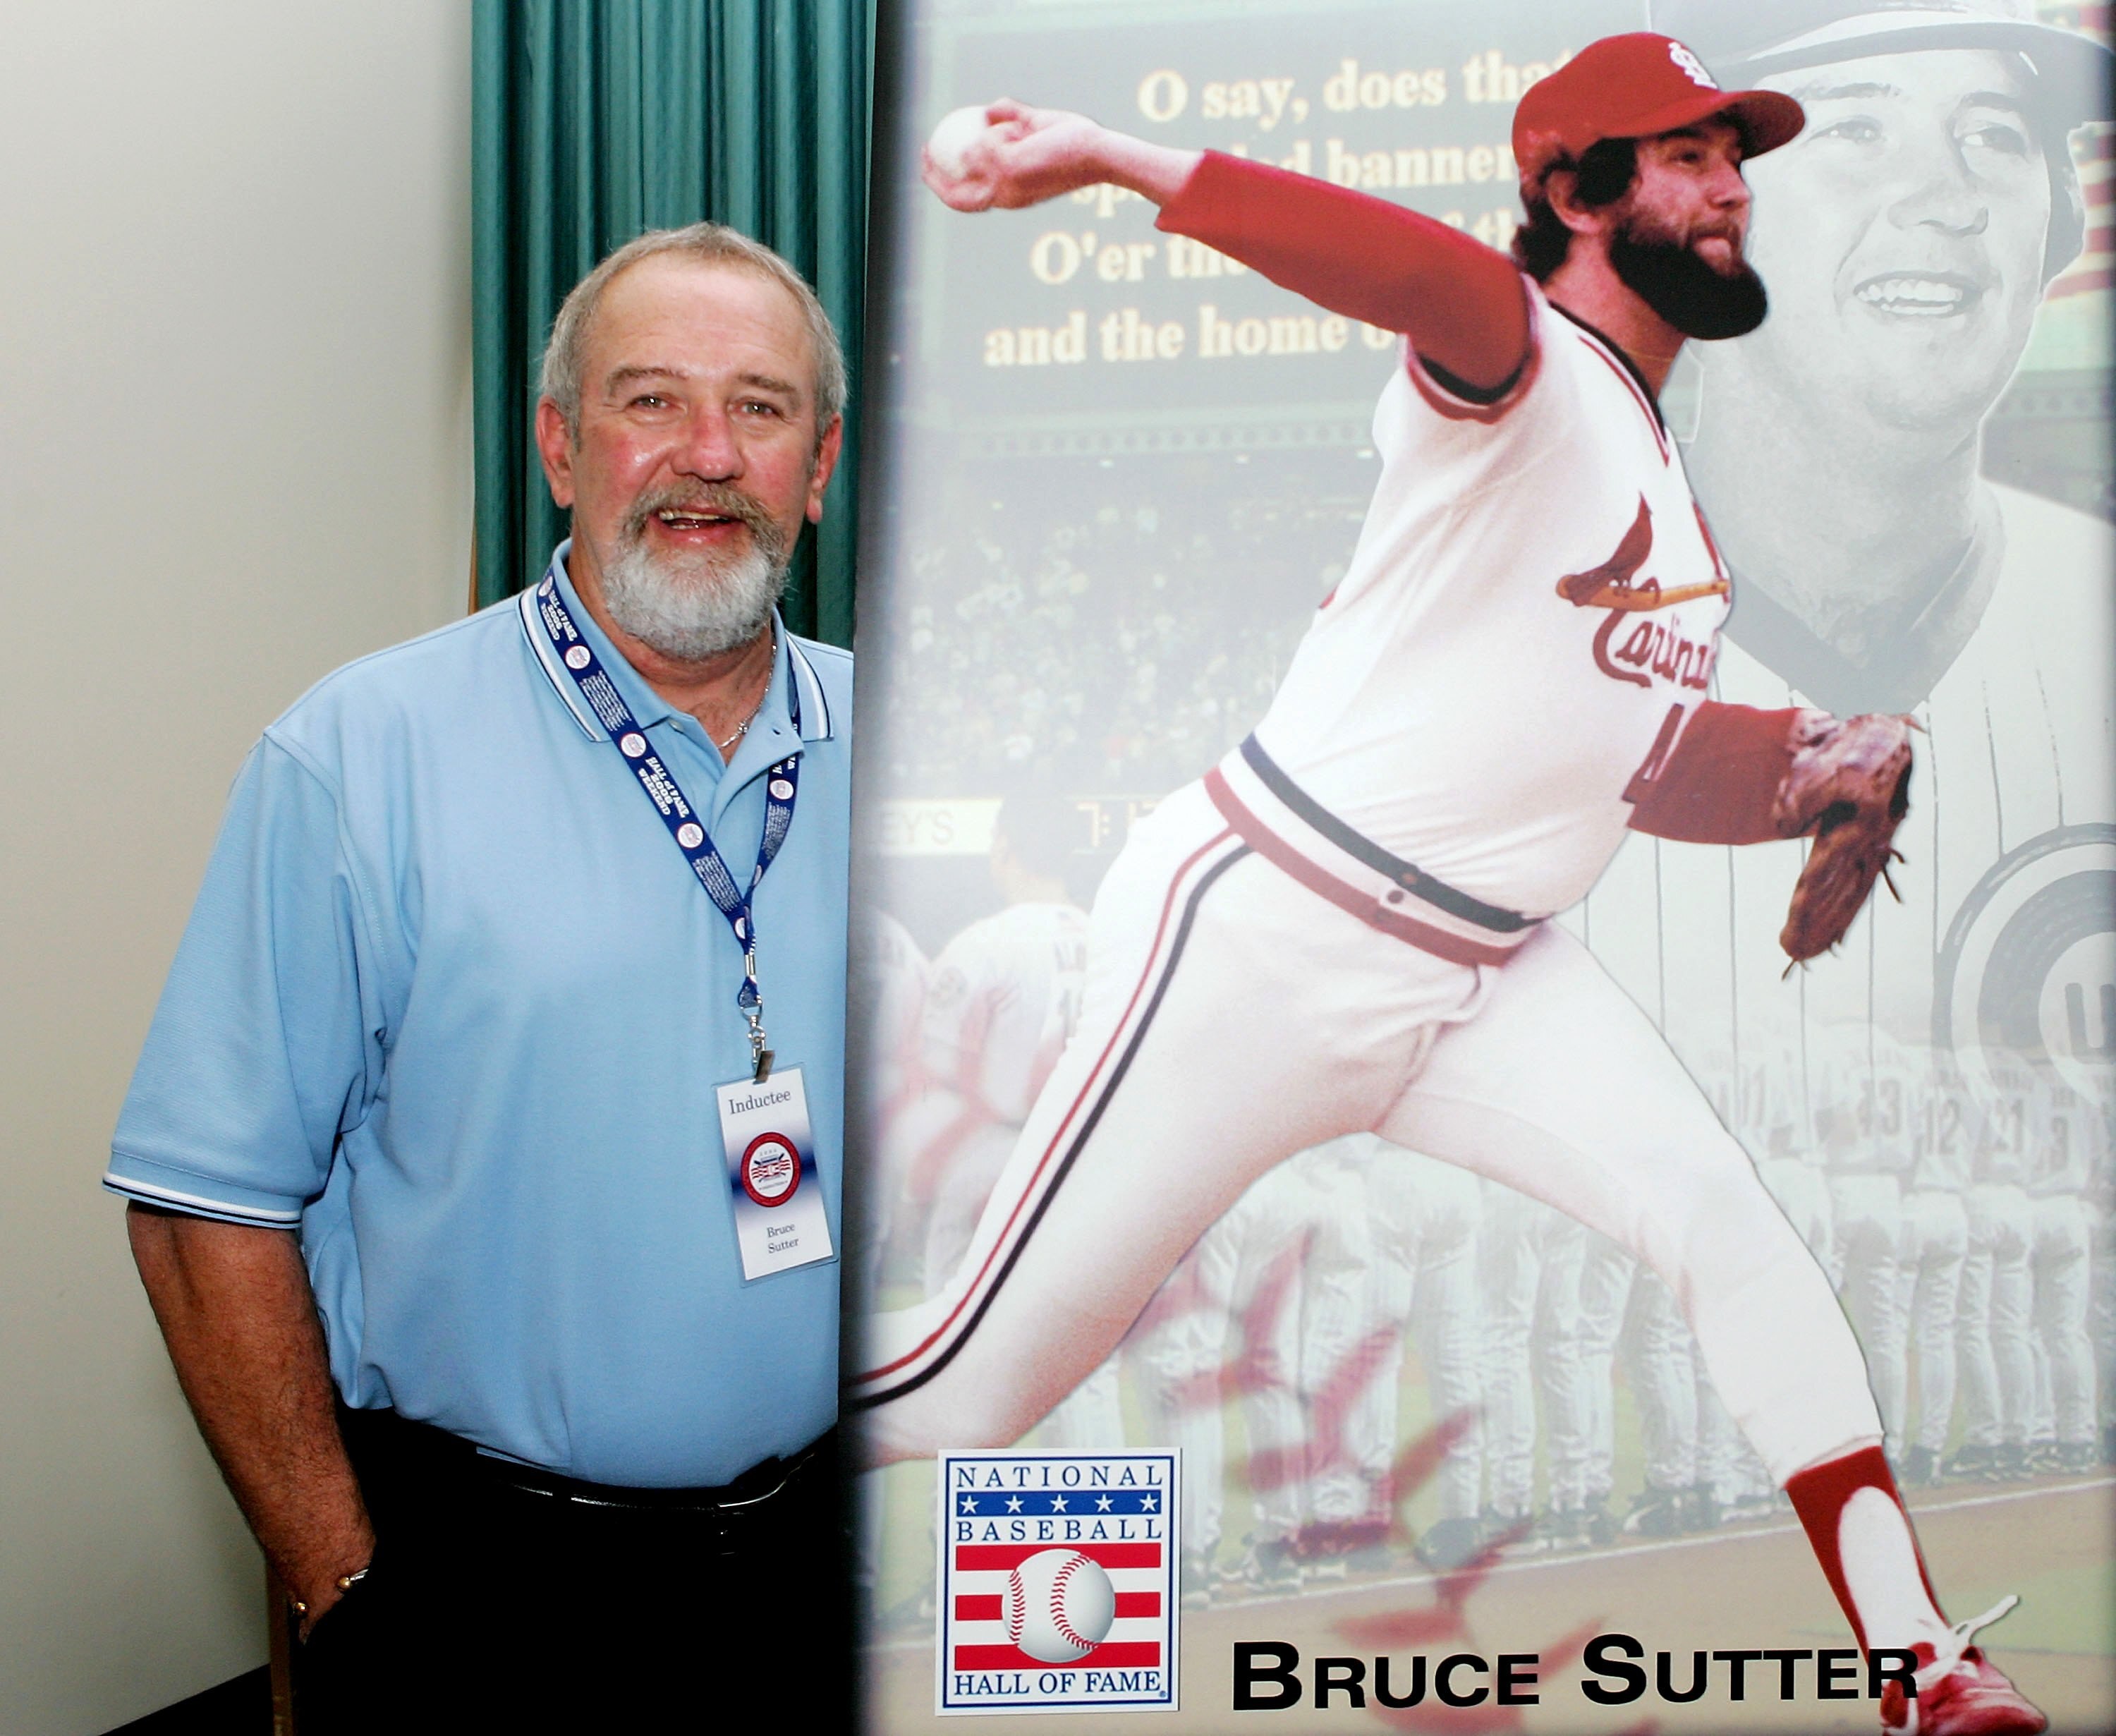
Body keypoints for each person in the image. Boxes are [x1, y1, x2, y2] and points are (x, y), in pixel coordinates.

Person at [855, 34, 2046, 1734]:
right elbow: (1421, 275)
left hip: (1493, 974)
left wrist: (1805, 771)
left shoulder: (1657, 474)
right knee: (977, 1388)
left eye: (1736, 158)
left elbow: (1627, 762)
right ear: (1571, 191)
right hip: (1266, 934)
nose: (1731, 189)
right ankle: (657, 1413)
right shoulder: (1522, 356)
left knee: (1731, 1229)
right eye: (1688, 157)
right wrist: (1124, 158)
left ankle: (1922, 1661)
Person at [107, 223, 853, 1729]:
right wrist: (347, 1587)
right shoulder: (359, 756)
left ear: (819, 465)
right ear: (558, 446)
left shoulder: (919, 745)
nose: (707, 453)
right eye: (650, 400)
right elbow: (204, 1212)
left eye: (759, 409)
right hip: (487, 1590)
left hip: (829, 1572)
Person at [1588, 0, 2114, 1500]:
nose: (1945, 193)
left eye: (1996, 136)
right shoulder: (1494, 660)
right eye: (1859, 127)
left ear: (2050, 229)